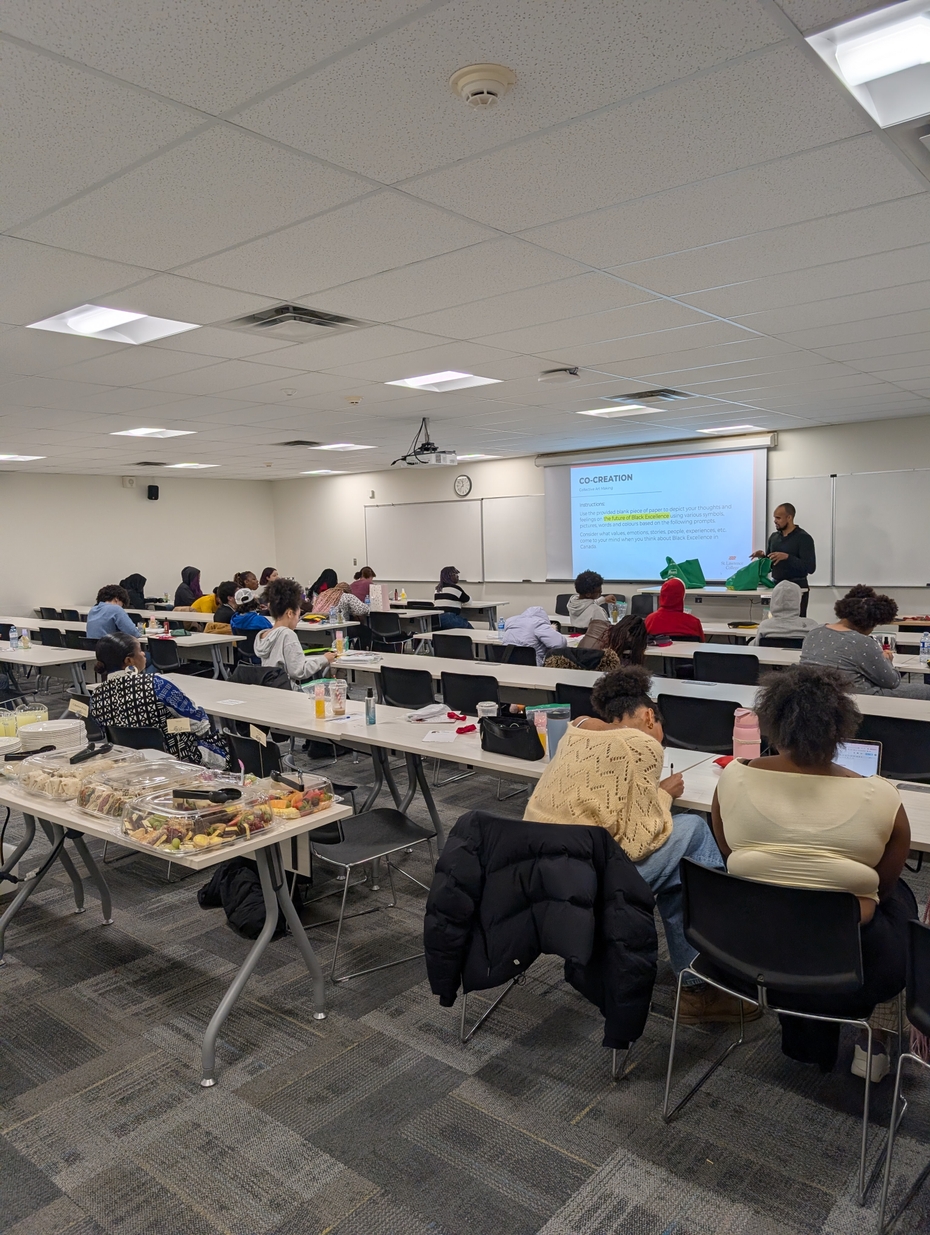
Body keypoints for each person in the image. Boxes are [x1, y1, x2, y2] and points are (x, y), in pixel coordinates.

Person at [524, 666, 756, 1025]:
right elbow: (637, 842)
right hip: (591, 881)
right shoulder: (642, 743)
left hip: (541, 873)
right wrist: (662, 796)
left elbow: (604, 803)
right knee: (693, 830)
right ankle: (719, 961)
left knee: (682, 873)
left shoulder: (578, 727)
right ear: (650, 715)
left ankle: (700, 981)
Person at [712, 665, 914, 1077]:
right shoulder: (882, 798)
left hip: (745, 956)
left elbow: (730, 854)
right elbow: (885, 889)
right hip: (850, 970)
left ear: (771, 723)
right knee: (904, 905)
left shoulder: (731, 779)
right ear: (842, 728)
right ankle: (873, 1046)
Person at [89, 632, 229, 766]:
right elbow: (199, 722)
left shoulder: (96, 696)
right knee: (228, 746)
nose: (144, 654)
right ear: (129, 661)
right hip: (176, 758)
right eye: (140, 650)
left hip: (128, 762)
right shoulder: (157, 684)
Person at [801, 584, 930, 699]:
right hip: (857, 698)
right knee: (925, 691)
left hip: (815, 696)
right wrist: (887, 661)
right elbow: (892, 681)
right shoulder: (862, 642)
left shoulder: (814, 632)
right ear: (867, 623)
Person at [255, 578, 337, 683]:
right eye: (298, 615)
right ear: (290, 613)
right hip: (288, 690)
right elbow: (299, 671)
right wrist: (324, 659)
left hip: (271, 688)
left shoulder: (264, 635)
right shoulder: (287, 634)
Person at [752, 503, 816, 615]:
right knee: (774, 622)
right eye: (774, 517)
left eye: (778, 518)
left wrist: (788, 557)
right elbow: (771, 564)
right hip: (776, 587)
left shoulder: (804, 538)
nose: (775, 521)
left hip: (797, 588)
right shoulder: (774, 537)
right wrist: (763, 557)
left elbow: (810, 568)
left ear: (789, 517)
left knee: (796, 624)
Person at [751, 579, 817, 645]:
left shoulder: (765, 626)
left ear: (773, 600)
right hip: (797, 655)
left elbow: (754, 648)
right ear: (798, 600)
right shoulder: (811, 625)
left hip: (771, 655)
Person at [501, 607, 567, 666]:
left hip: (506, 661)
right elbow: (560, 643)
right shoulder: (539, 623)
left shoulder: (511, 621)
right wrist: (553, 631)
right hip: (532, 665)